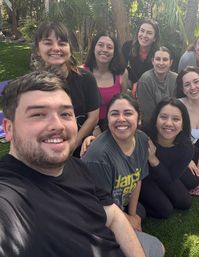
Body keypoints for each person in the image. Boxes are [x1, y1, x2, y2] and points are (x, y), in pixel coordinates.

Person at [0, 71, 164, 257]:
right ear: (9, 129)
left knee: (157, 246)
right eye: (38, 114)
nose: (58, 125)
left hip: (111, 240)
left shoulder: (75, 166)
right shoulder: (10, 195)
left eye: (65, 114)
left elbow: (113, 215)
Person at [81, 94, 151, 232]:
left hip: (119, 202)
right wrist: (129, 220)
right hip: (96, 210)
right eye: (114, 114)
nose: (121, 119)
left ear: (139, 118)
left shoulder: (142, 139)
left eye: (128, 113)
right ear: (108, 119)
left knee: (140, 213)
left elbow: (138, 179)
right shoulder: (99, 157)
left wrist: (132, 215)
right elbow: (101, 204)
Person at [32, 21, 100, 157]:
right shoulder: (31, 86)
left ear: (70, 49)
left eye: (62, 43)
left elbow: (93, 117)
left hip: (81, 151)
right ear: (38, 50)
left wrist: (73, 143)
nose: (56, 48)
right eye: (48, 43)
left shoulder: (86, 78)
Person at [139, 98, 194, 218]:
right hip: (143, 178)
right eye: (163, 117)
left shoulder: (186, 148)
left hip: (165, 175)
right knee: (165, 210)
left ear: (183, 124)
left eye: (176, 119)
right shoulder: (143, 134)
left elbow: (169, 179)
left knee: (185, 202)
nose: (169, 123)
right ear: (156, 119)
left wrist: (153, 159)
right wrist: (92, 138)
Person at [83, 31, 129, 133]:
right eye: (100, 45)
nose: (104, 50)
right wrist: (94, 128)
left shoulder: (122, 73)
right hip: (84, 126)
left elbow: (122, 104)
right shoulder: (81, 72)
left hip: (112, 127)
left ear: (114, 52)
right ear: (94, 48)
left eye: (109, 47)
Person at [137, 46, 177, 125]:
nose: (161, 63)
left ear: (171, 63)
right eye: (158, 59)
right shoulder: (145, 80)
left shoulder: (176, 79)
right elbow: (148, 114)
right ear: (153, 61)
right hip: (151, 124)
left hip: (173, 123)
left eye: (165, 60)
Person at [122, 19, 160, 97]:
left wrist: (140, 84)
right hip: (128, 84)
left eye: (149, 33)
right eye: (142, 31)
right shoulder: (127, 46)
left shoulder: (158, 54)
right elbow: (121, 66)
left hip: (148, 87)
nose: (144, 35)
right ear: (138, 32)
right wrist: (135, 81)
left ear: (154, 38)